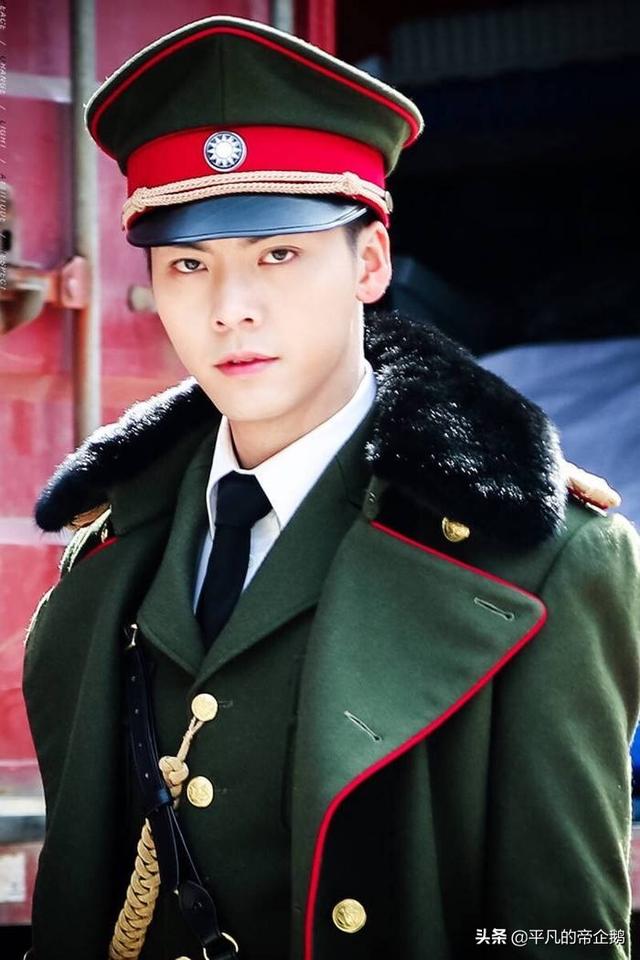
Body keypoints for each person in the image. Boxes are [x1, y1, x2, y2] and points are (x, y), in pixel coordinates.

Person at [23, 15, 640, 960]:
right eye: (188, 264)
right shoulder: (110, 550)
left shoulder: (542, 563)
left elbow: (560, 932)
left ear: (370, 263)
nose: (230, 308)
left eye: (279, 254)